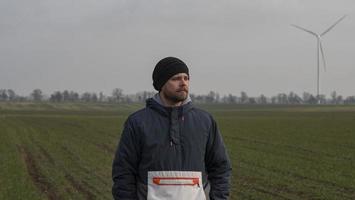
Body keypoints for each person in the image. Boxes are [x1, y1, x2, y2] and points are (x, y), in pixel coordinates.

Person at [112, 57, 232, 200]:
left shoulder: (205, 121)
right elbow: (124, 171)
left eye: (186, 78)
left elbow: (220, 168)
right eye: (176, 78)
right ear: (161, 84)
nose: (183, 83)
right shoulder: (137, 122)